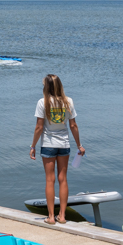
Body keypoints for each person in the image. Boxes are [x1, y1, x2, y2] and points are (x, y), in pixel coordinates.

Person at [29, 74, 85, 224]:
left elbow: (39, 127)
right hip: (64, 144)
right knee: (63, 179)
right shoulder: (68, 102)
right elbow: (73, 125)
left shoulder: (42, 102)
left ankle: (51, 217)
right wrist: (79, 145)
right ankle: (62, 216)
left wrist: (33, 145)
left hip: (48, 144)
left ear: (46, 87)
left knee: (49, 180)